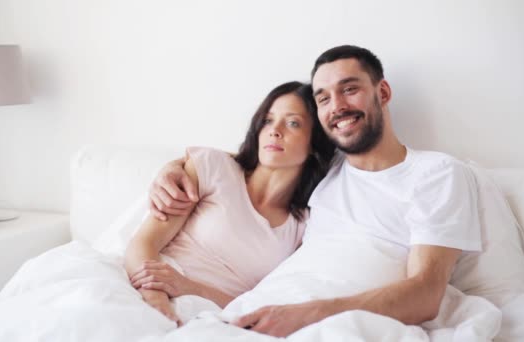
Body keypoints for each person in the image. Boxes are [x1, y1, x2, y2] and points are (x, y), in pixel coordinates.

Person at [147, 45, 482, 337]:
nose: (336, 106)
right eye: (323, 98)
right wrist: (175, 166)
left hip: (321, 322)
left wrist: (303, 315)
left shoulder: (436, 173)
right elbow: (257, 157)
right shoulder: (325, 171)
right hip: (252, 313)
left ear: (382, 93)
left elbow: (426, 294)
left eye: (349, 89)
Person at [123, 81, 336, 323]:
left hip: (215, 314)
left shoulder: (305, 225)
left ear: (315, 143)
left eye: (292, 123)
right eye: (268, 120)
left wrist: (188, 288)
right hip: (147, 286)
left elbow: (261, 302)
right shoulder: (214, 167)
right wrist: (156, 300)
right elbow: (143, 243)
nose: (274, 130)